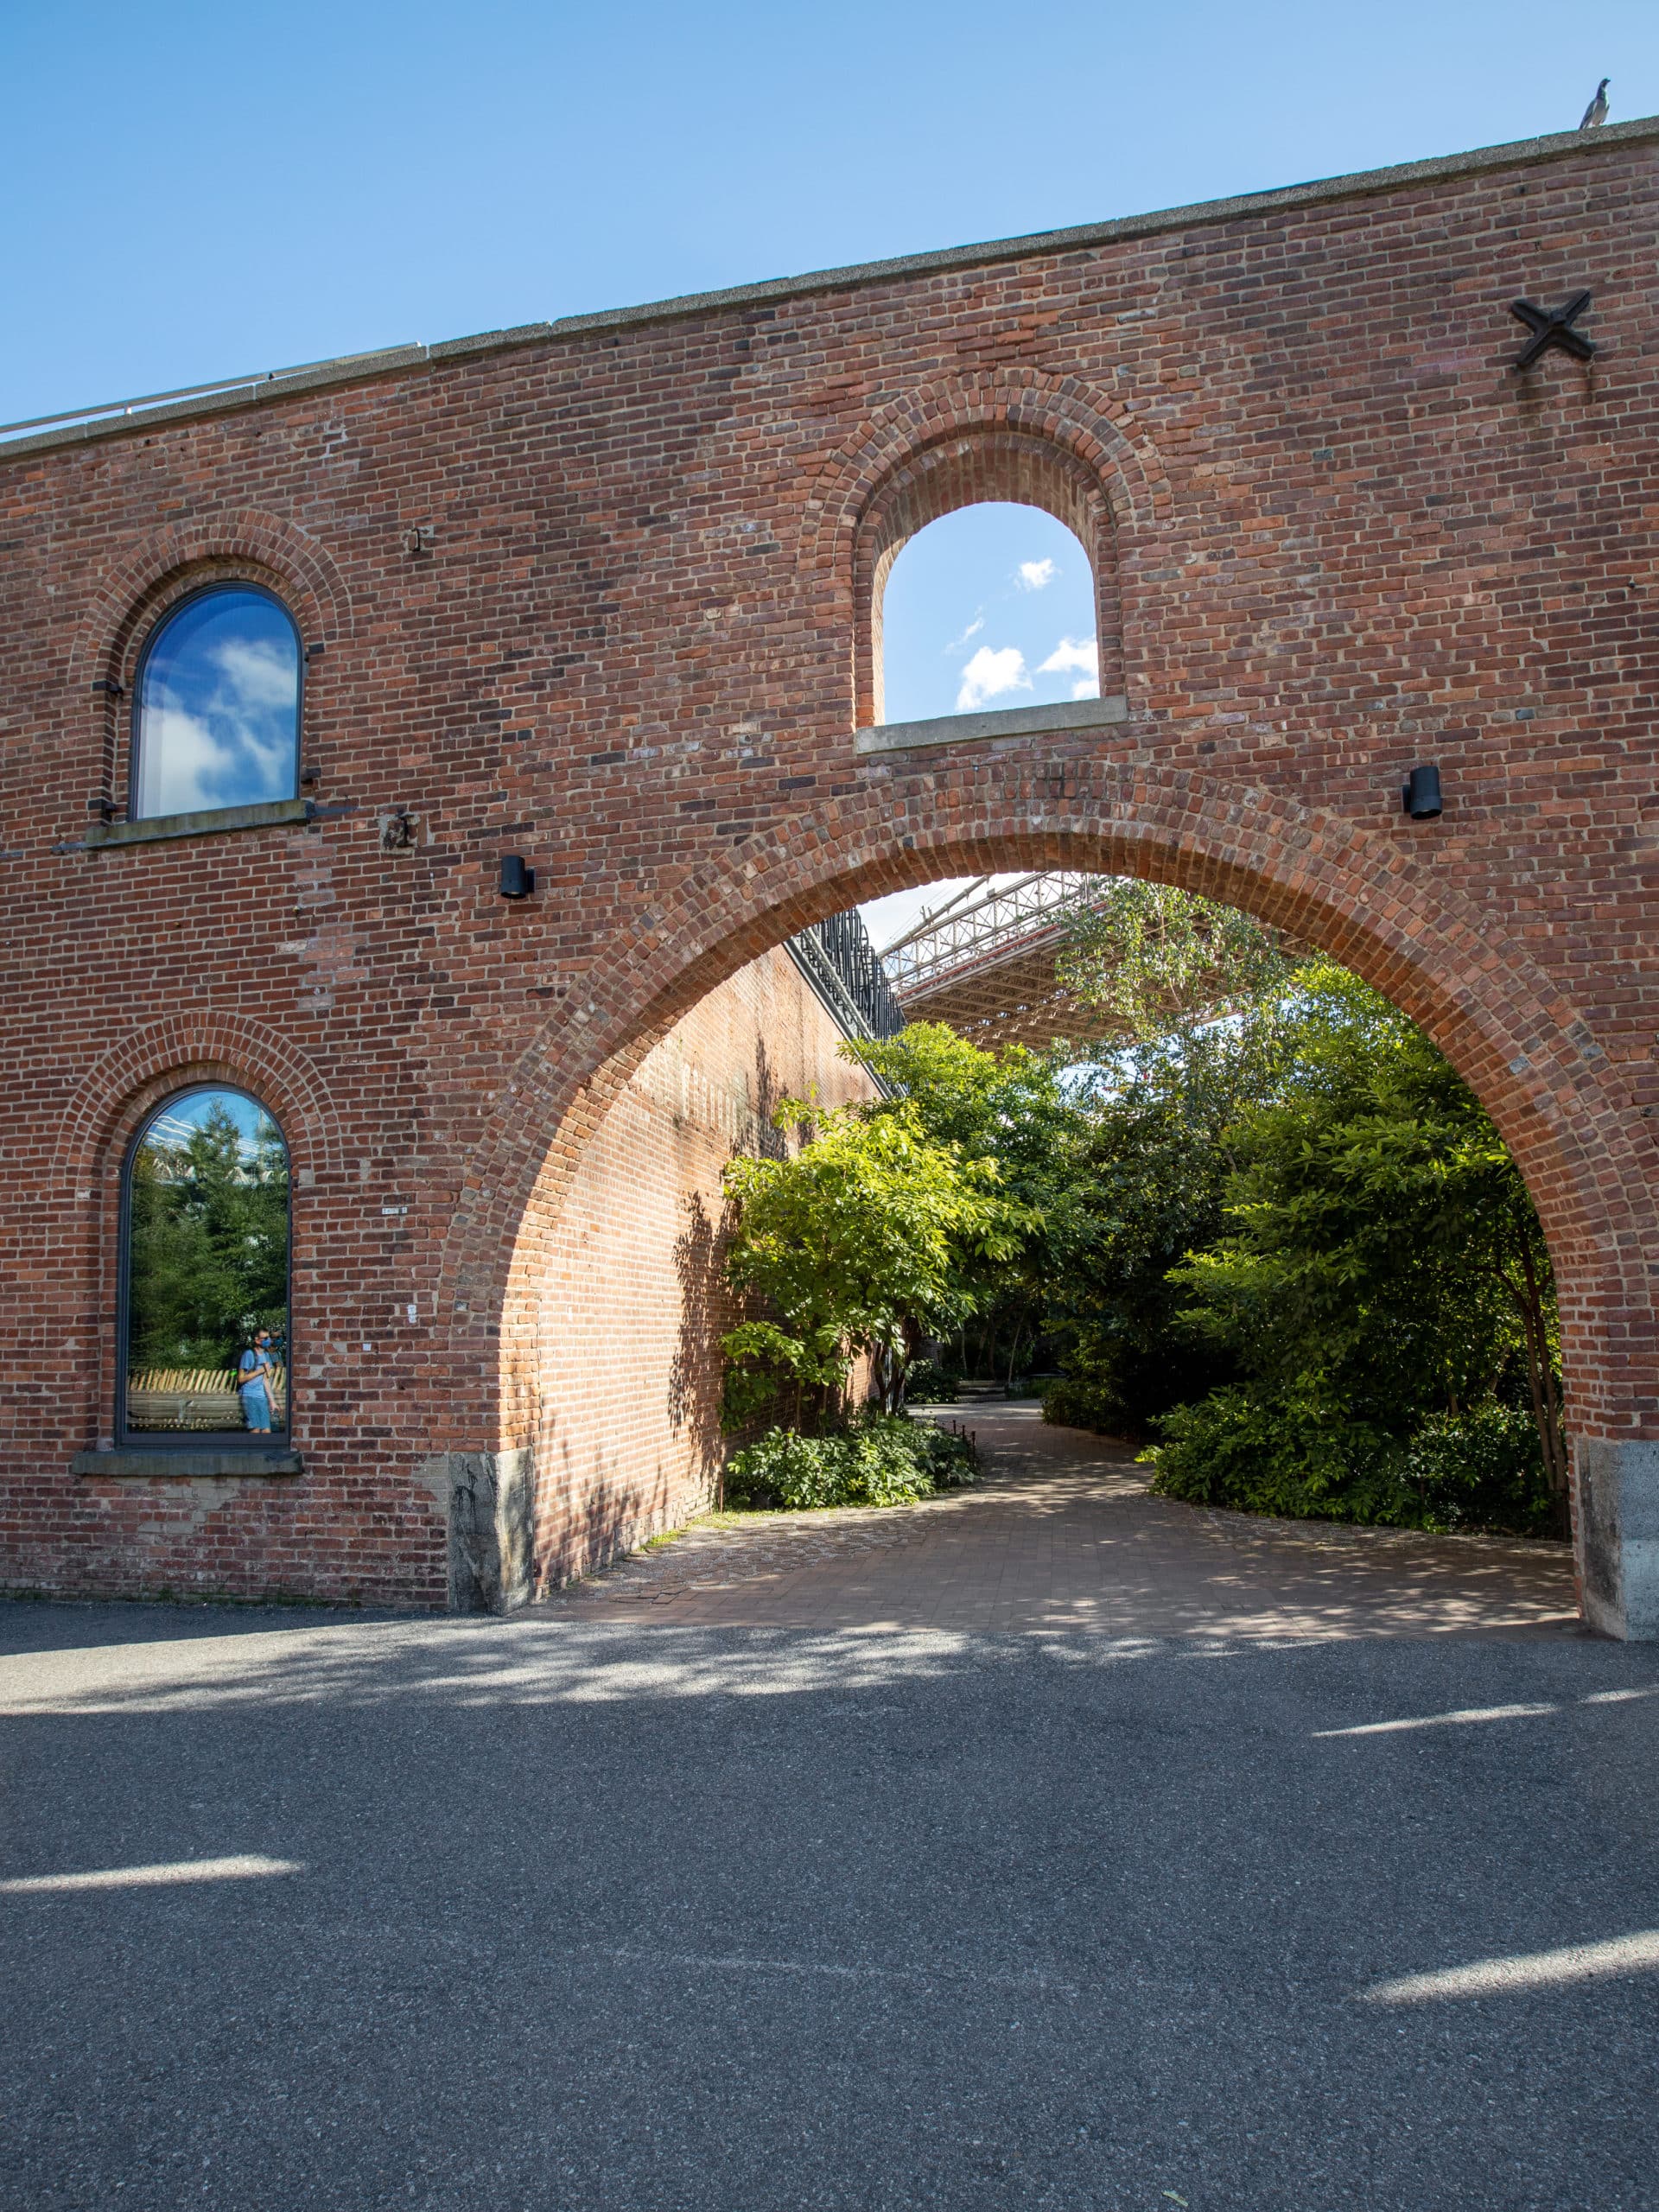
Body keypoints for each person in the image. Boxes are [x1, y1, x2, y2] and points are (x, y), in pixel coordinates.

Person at [238, 1330, 278, 1433]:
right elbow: (241, 1379)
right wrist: (259, 1371)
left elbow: (266, 1380)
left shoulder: (267, 1356)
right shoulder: (249, 1354)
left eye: (269, 1338)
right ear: (257, 1340)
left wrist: (272, 1401)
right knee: (255, 1430)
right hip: (249, 1396)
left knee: (266, 1430)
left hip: (262, 1397)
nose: (268, 1340)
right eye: (265, 1338)